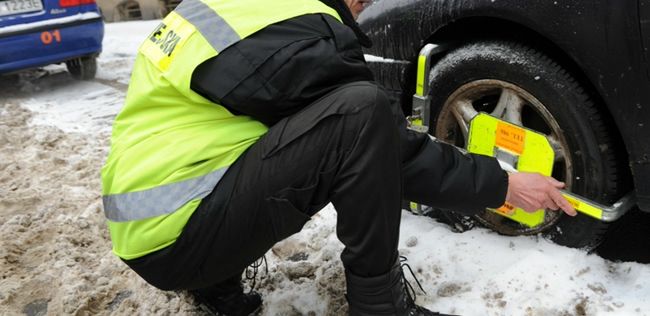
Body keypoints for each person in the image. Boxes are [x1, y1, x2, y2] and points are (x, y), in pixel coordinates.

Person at [100, 0, 577, 315]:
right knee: (360, 112)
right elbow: (384, 150)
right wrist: (504, 185)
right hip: (185, 232)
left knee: (275, 134)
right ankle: (378, 306)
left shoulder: (228, 10)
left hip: (142, 223)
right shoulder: (302, 35)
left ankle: (216, 288)